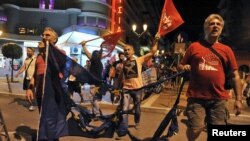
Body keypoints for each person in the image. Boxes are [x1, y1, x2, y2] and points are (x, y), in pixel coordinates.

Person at [178, 14, 242, 141]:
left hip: (219, 98)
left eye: (218, 24)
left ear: (221, 28)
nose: (215, 26)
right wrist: (183, 67)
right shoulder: (194, 47)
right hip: (196, 97)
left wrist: (238, 99)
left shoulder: (227, 50)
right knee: (195, 129)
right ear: (205, 27)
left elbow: (235, 75)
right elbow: (180, 65)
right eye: (211, 23)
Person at [117, 34, 159, 137]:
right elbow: (121, 77)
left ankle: (137, 122)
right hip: (126, 89)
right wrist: (117, 90)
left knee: (137, 108)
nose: (126, 51)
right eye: (125, 50)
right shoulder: (122, 64)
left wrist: (155, 41)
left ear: (133, 51)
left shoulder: (139, 60)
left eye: (128, 50)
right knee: (124, 109)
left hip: (138, 89)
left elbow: (152, 52)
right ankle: (124, 129)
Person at [26, 27, 59, 112]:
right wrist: (30, 88)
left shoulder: (60, 53)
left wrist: (44, 50)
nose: (44, 37)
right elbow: (35, 75)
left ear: (55, 39)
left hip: (53, 94)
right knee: (42, 119)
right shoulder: (39, 56)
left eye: (47, 35)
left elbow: (54, 66)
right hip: (40, 94)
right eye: (43, 35)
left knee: (51, 120)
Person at [81, 41, 104, 117]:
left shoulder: (95, 61)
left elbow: (88, 54)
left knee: (92, 98)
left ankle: (97, 113)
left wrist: (83, 46)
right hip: (98, 82)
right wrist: (101, 48)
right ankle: (96, 112)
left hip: (94, 82)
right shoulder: (99, 62)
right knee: (94, 98)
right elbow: (99, 54)